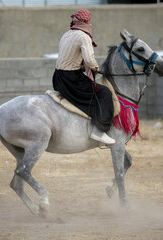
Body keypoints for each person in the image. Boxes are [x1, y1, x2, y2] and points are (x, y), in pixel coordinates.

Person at [52, 9, 115, 145]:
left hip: (58, 78)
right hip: (72, 79)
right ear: (86, 22)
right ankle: (99, 131)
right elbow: (89, 60)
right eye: (89, 22)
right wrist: (96, 69)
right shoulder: (83, 37)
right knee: (104, 93)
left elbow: (71, 58)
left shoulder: (66, 34)